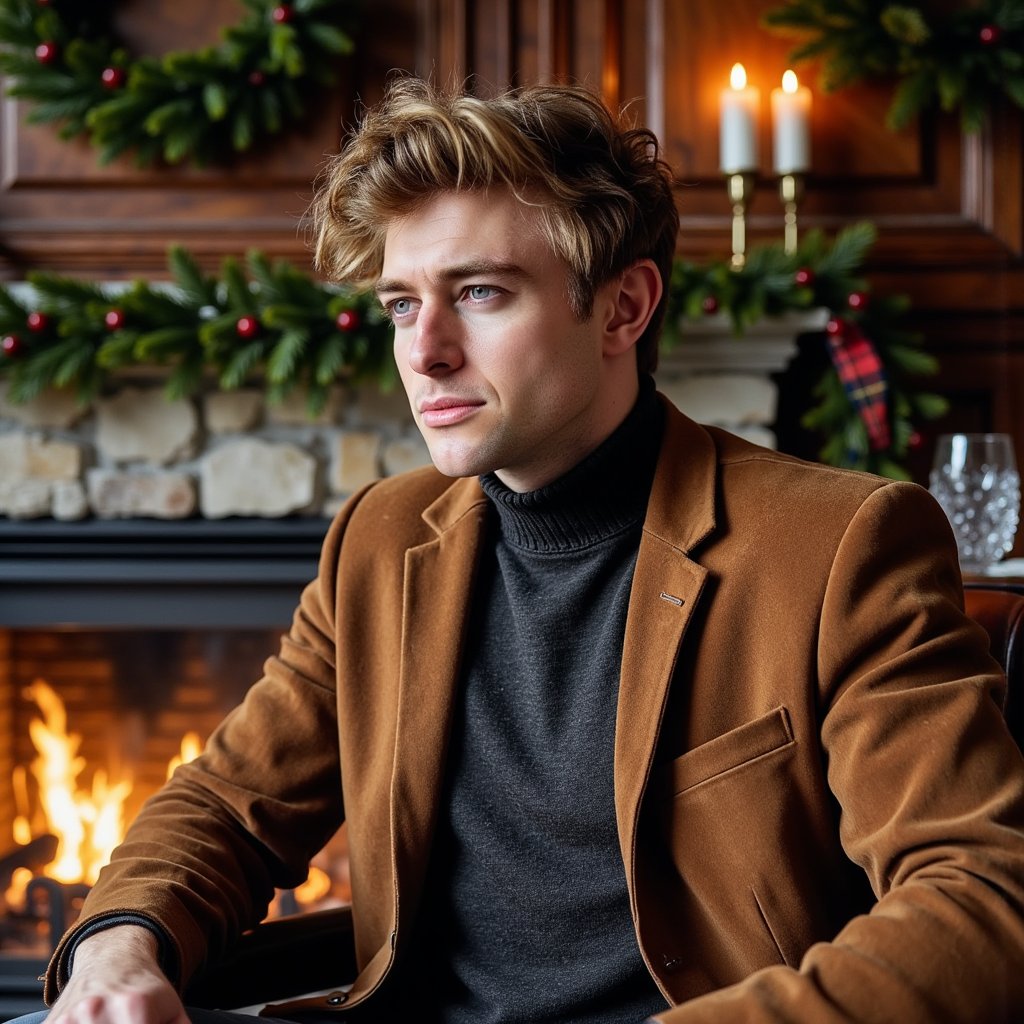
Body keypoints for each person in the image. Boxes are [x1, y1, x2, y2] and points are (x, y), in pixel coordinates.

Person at [26, 75, 1024, 1024]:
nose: (425, 351)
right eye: (402, 304)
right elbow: (228, 805)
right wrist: (120, 939)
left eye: (483, 293)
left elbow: (979, 899)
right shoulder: (378, 540)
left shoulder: (837, 546)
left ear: (624, 308)